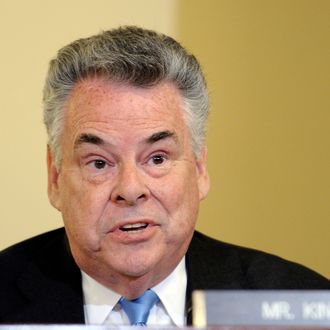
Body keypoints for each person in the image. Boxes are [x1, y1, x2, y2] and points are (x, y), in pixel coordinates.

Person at [0, 26, 329, 326]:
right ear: (55, 177)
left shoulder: (301, 309)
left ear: (199, 169)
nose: (130, 189)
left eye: (157, 158)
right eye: (99, 163)